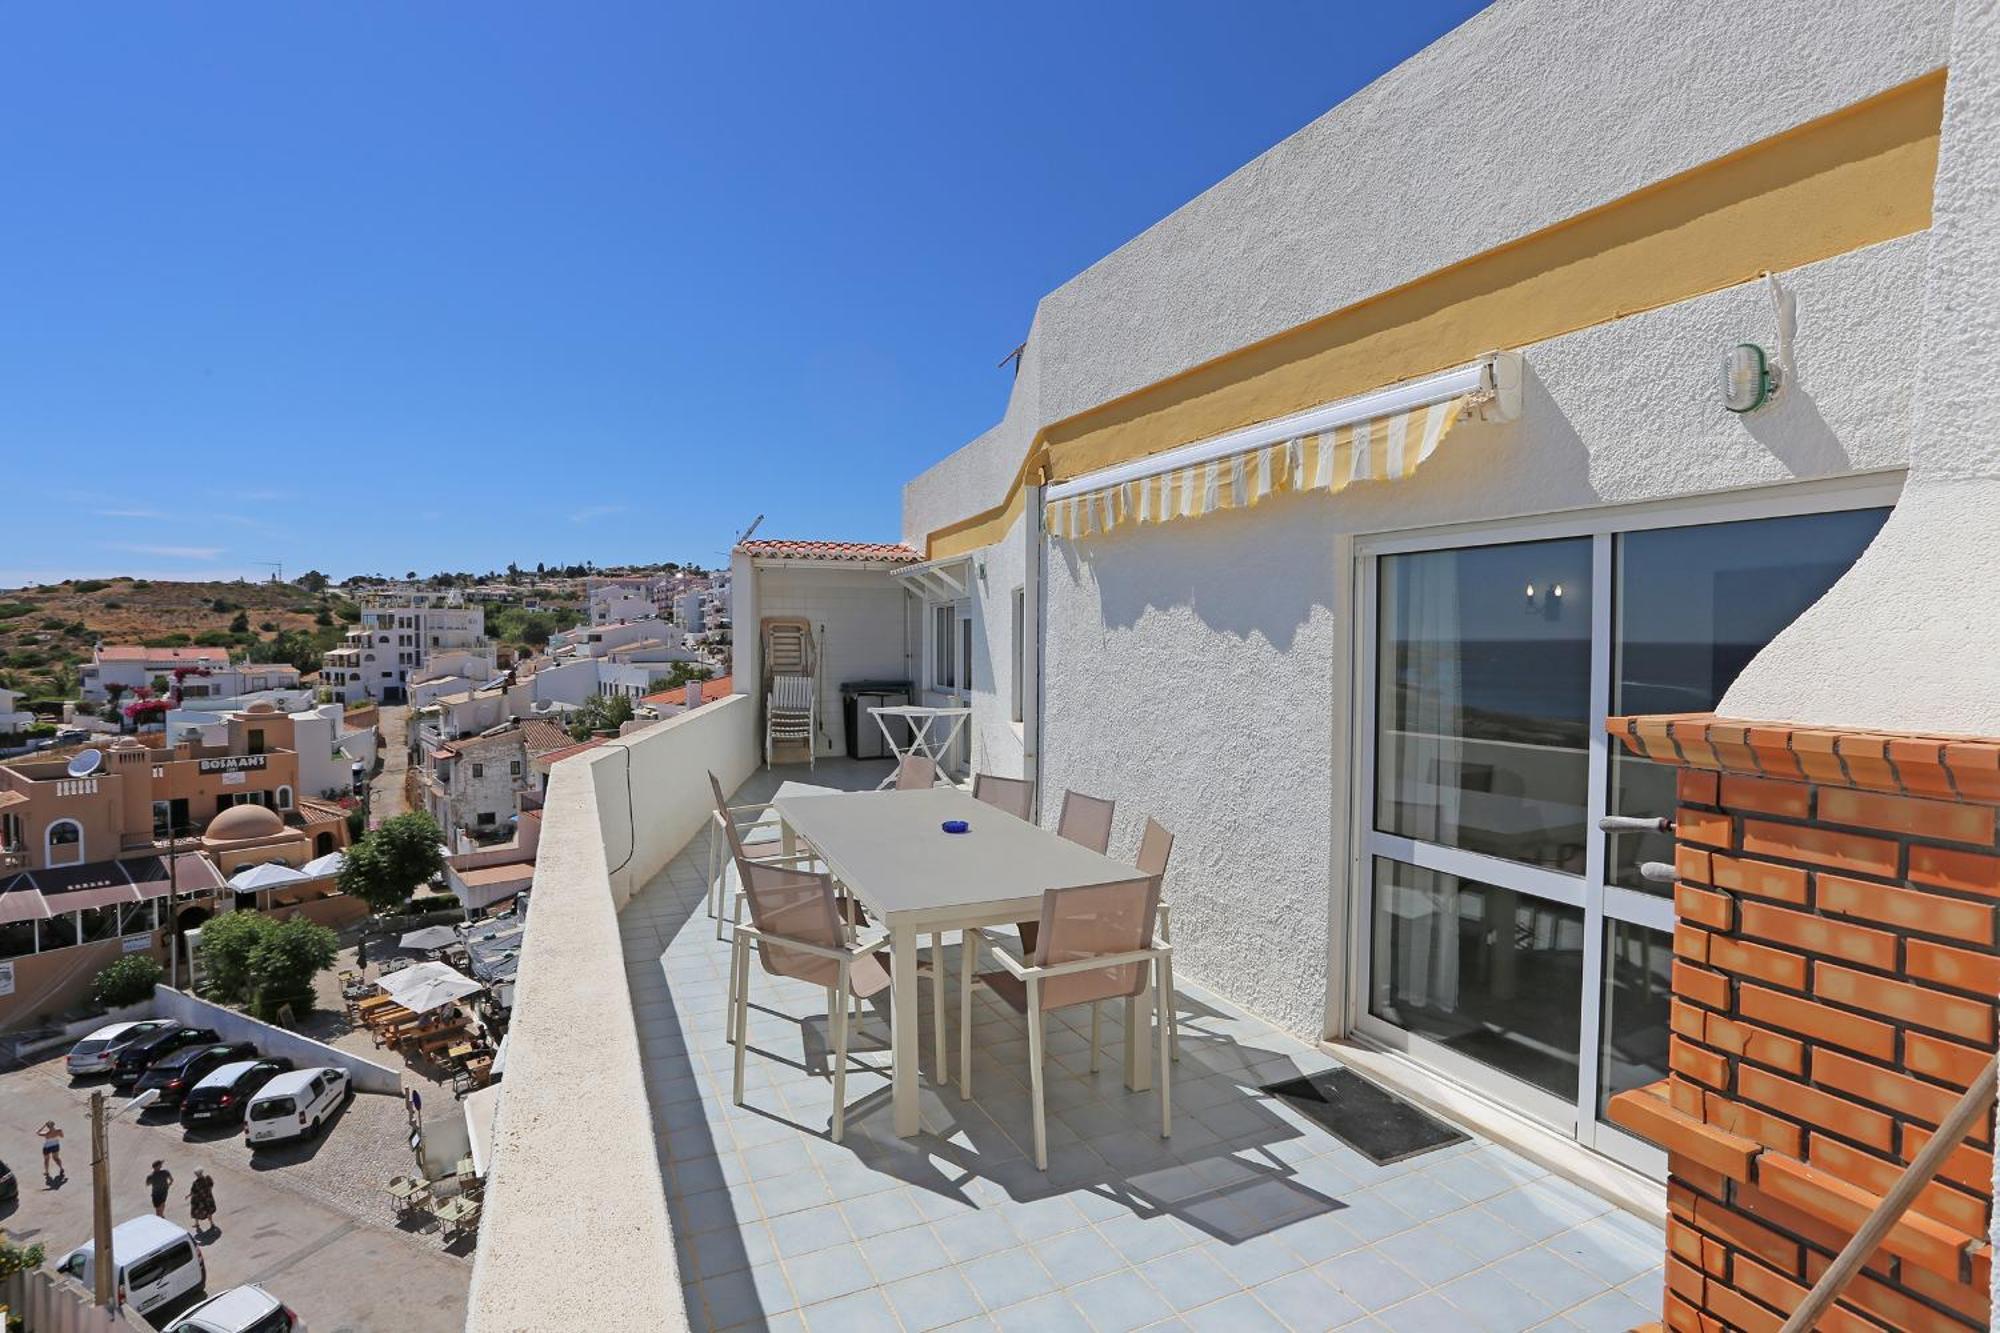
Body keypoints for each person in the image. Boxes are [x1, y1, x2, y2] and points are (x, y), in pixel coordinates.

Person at [188, 1170, 217, 1237]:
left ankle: (197, 1223)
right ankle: (211, 1224)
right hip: (208, 1198)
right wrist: (208, 1191)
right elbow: (211, 1185)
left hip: (199, 1200)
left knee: (195, 1211)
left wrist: (189, 1195)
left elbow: (193, 1192)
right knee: (209, 1211)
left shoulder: (195, 1182)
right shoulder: (207, 1178)